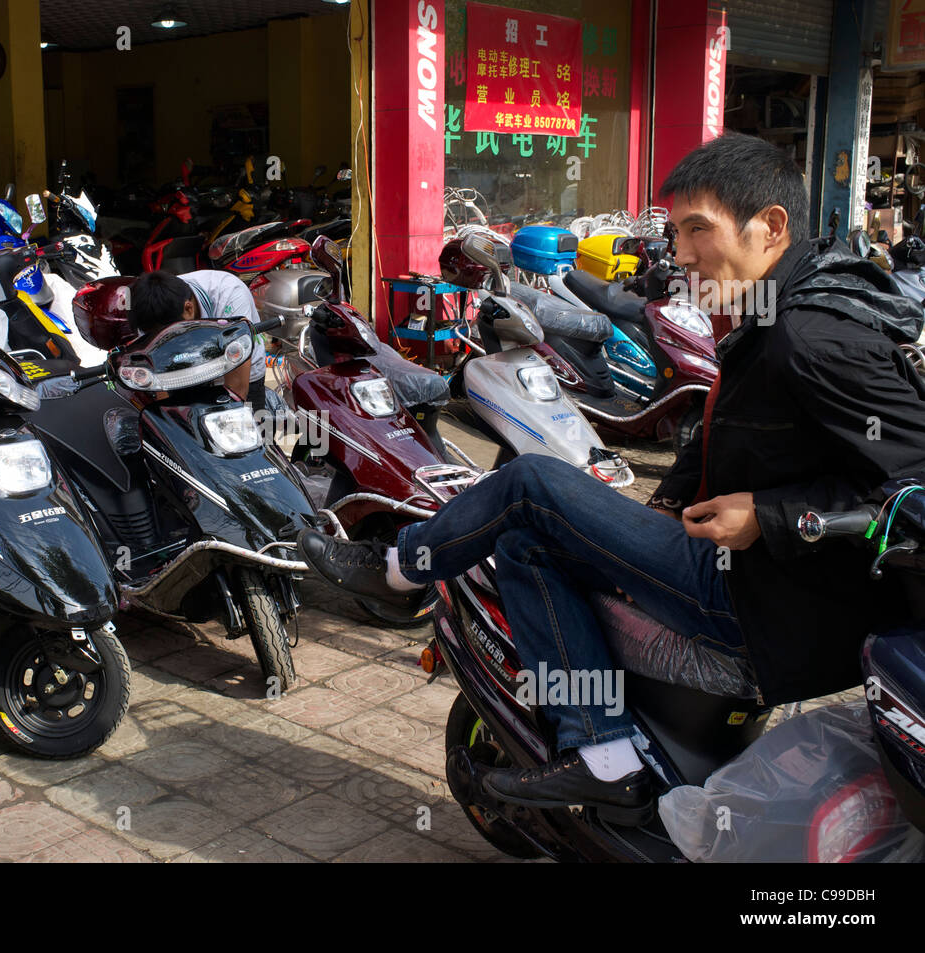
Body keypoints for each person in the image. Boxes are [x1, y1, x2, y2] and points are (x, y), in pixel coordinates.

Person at [296, 132, 925, 820]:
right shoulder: (785, 302)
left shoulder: (814, 335)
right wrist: (666, 499)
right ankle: (603, 750)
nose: (679, 254)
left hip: (768, 603)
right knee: (524, 542)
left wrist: (767, 516)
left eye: (696, 231)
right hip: (754, 574)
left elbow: (914, 484)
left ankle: (400, 570)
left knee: (530, 482)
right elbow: (729, 423)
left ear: (769, 226)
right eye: (675, 232)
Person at [129, 269, 267, 410]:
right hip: (186, 371)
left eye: (174, 337)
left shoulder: (228, 293)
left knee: (246, 425)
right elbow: (160, 380)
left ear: (189, 309)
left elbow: (237, 387)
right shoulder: (147, 314)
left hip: (239, 364)